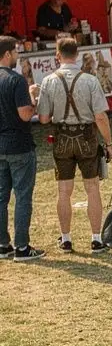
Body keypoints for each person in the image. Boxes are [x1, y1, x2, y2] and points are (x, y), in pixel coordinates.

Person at [37, 35, 112, 253]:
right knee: (92, 188)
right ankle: (96, 238)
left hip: (62, 138)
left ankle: (66, 238)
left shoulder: (49, 81)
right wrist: (108, 143)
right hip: (86, 138)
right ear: (77, 55)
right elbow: (100, 117)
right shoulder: (90, 81)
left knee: (64, 191)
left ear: (57, 55)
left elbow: (42, 119)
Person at [0, 35, 42, 262]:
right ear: (7, 54)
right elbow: (25, 114)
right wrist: (34, 99)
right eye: (15, 52)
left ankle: (2, 244)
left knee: (1, 197)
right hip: (19, 145)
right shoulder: (16, 80)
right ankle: (22, 247)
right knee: (23, 196)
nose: (17, 56)